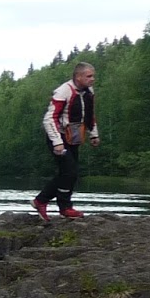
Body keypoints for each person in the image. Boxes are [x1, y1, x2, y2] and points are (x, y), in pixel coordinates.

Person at [32, 62, 100, 221]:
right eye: (89, 76)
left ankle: (43, 202)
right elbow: (49, 119)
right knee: (69, 172)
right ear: (78, 77)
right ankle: (58, 205)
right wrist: (57, 141)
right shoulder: (63, 91)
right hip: (57, 136)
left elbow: (89, 114)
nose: (93, 79)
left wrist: (93, 134)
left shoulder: (89, 92)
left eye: (93, 76)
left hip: (73, 136)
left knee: (70, 173)